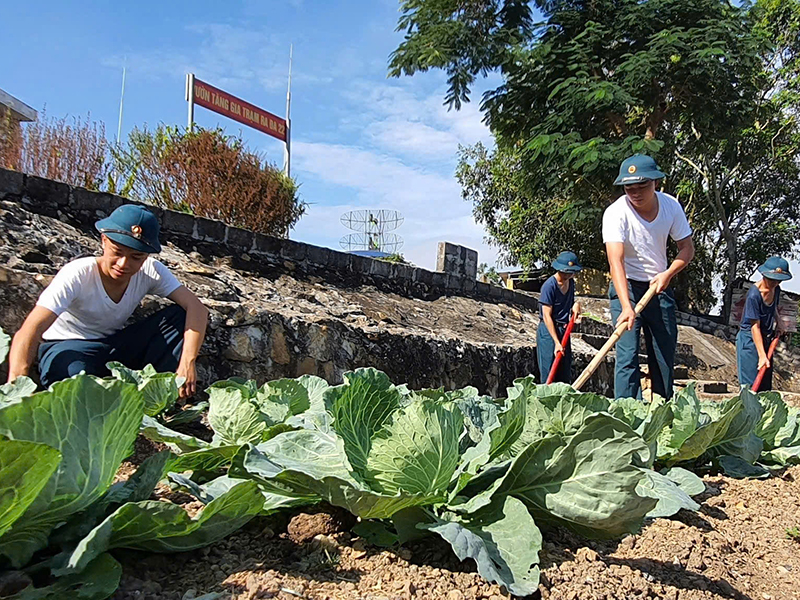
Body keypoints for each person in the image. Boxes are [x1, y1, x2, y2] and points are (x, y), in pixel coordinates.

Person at [6, 204, 209, 397]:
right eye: (117, 252)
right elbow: (30, 330)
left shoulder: (151, 271)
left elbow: (197, 308)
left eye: (136, 257)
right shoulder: (77, 274)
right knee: (77, 388)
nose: (123, 264)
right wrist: (17, 386)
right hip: (68, 346)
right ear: (103, 241)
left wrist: (187, 362)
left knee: (178, 316)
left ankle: (163, 394)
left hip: (113, 347)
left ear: (146, 256)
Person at [602, 154, 695, 400]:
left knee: (664, 355)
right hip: (627, 288)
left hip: (659, 287)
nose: (635, 193)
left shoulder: (671, 206)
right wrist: (625, 306)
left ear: (656, 182)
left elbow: (687, 249)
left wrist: (668, 274)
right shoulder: (615, 213)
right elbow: (615, 261)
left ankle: (664, 412)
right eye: (629, 188)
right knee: (627, 355)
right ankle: (626, 415)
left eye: (642, 186)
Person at [736, 256, 792, 391]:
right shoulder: (754, 296)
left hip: (765, 339)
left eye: (778, 281)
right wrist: (762, 356)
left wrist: (779, 322)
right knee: (750, 388)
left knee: (765, 388)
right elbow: (755, 327)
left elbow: (774, 308)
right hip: (750, 341)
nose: (774, 283)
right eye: (771, 279)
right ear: (763, 275)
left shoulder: (776, 290)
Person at [537, 251, 582, 384]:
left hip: (564, 330)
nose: (569, 275)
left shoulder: (571, 283)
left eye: (571, 272)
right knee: (549, 371)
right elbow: (546, 315)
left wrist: (576, 305)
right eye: (566, 272)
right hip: (548, 331)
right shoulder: (549, 286)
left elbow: (571, 302)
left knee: (564, 372)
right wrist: (556, 342)